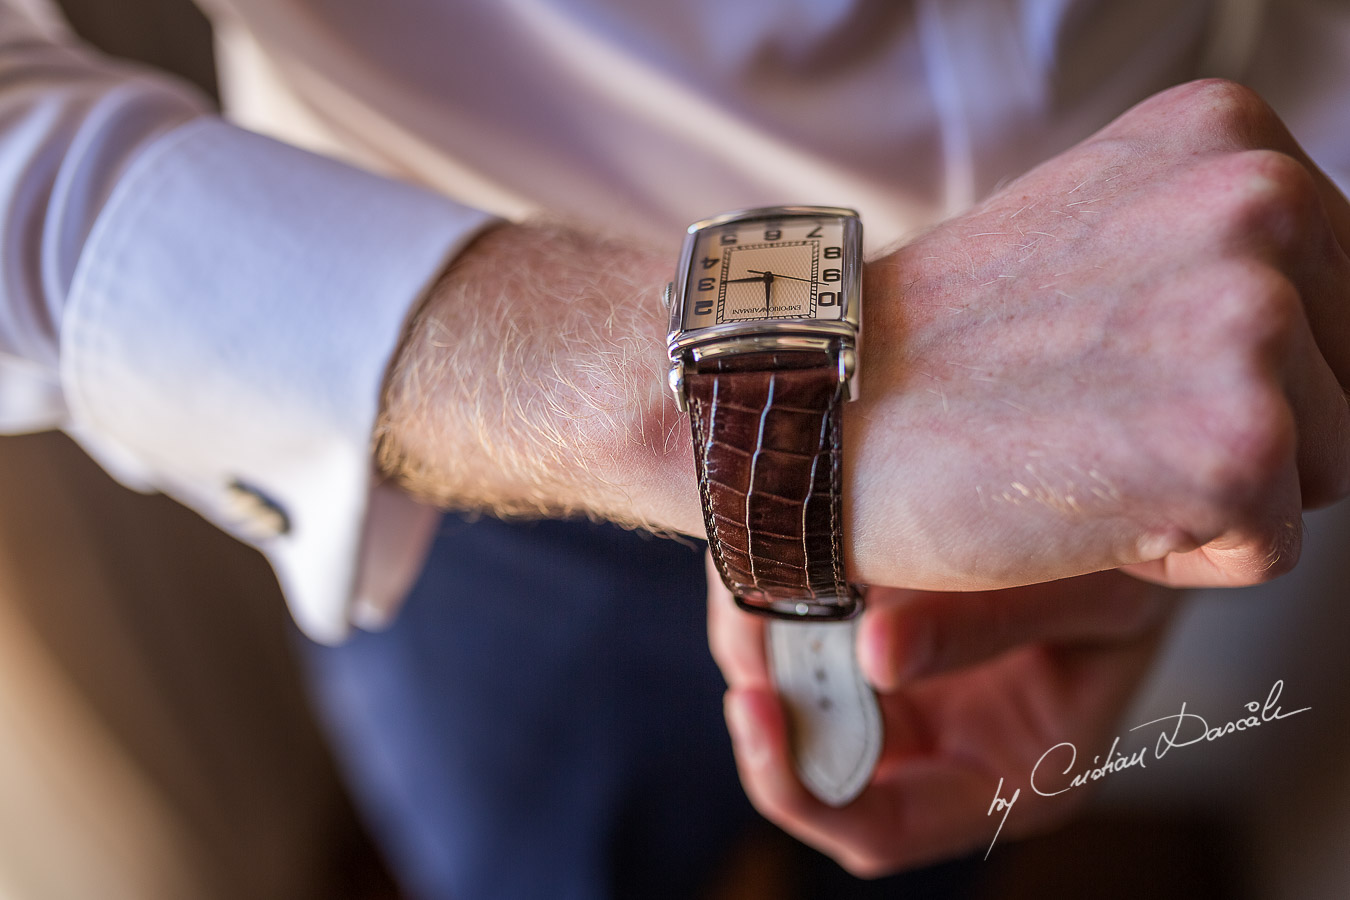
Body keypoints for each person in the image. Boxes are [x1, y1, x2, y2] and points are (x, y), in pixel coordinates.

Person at [2, 0, 1348, 896]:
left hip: (1090, 393)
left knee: (922, 837)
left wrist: (1227, 283)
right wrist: (665, 398)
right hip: (480, 489)